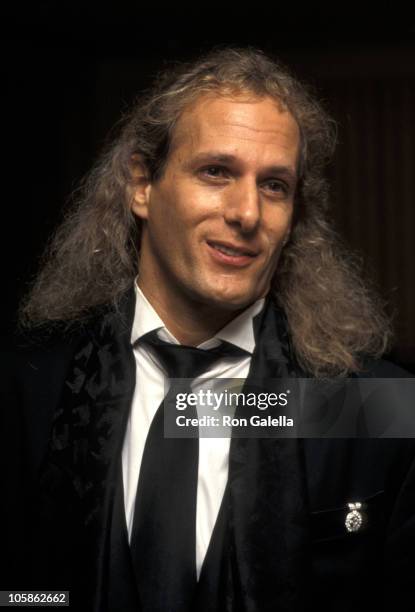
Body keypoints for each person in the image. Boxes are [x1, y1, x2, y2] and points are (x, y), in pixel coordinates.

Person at [1, 47, 414, 612]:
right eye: (216, 172)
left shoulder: (374, 406)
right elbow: (19, 594)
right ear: (142, 185)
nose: (247, 212)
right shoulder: (25, 389)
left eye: (274, 185)